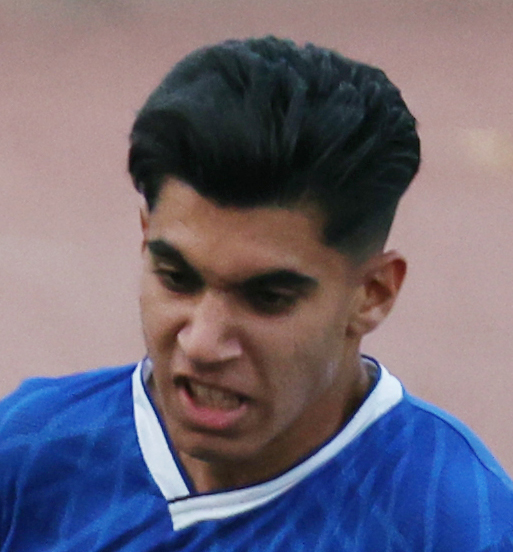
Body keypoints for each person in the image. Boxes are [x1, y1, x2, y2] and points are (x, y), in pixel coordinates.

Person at [0, 36, 512, 551]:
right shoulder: (29, 450)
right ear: (144, 238)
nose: (203, 344)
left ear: (372, 294)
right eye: (176, 278)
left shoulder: (458, 527)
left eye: (267, 299)